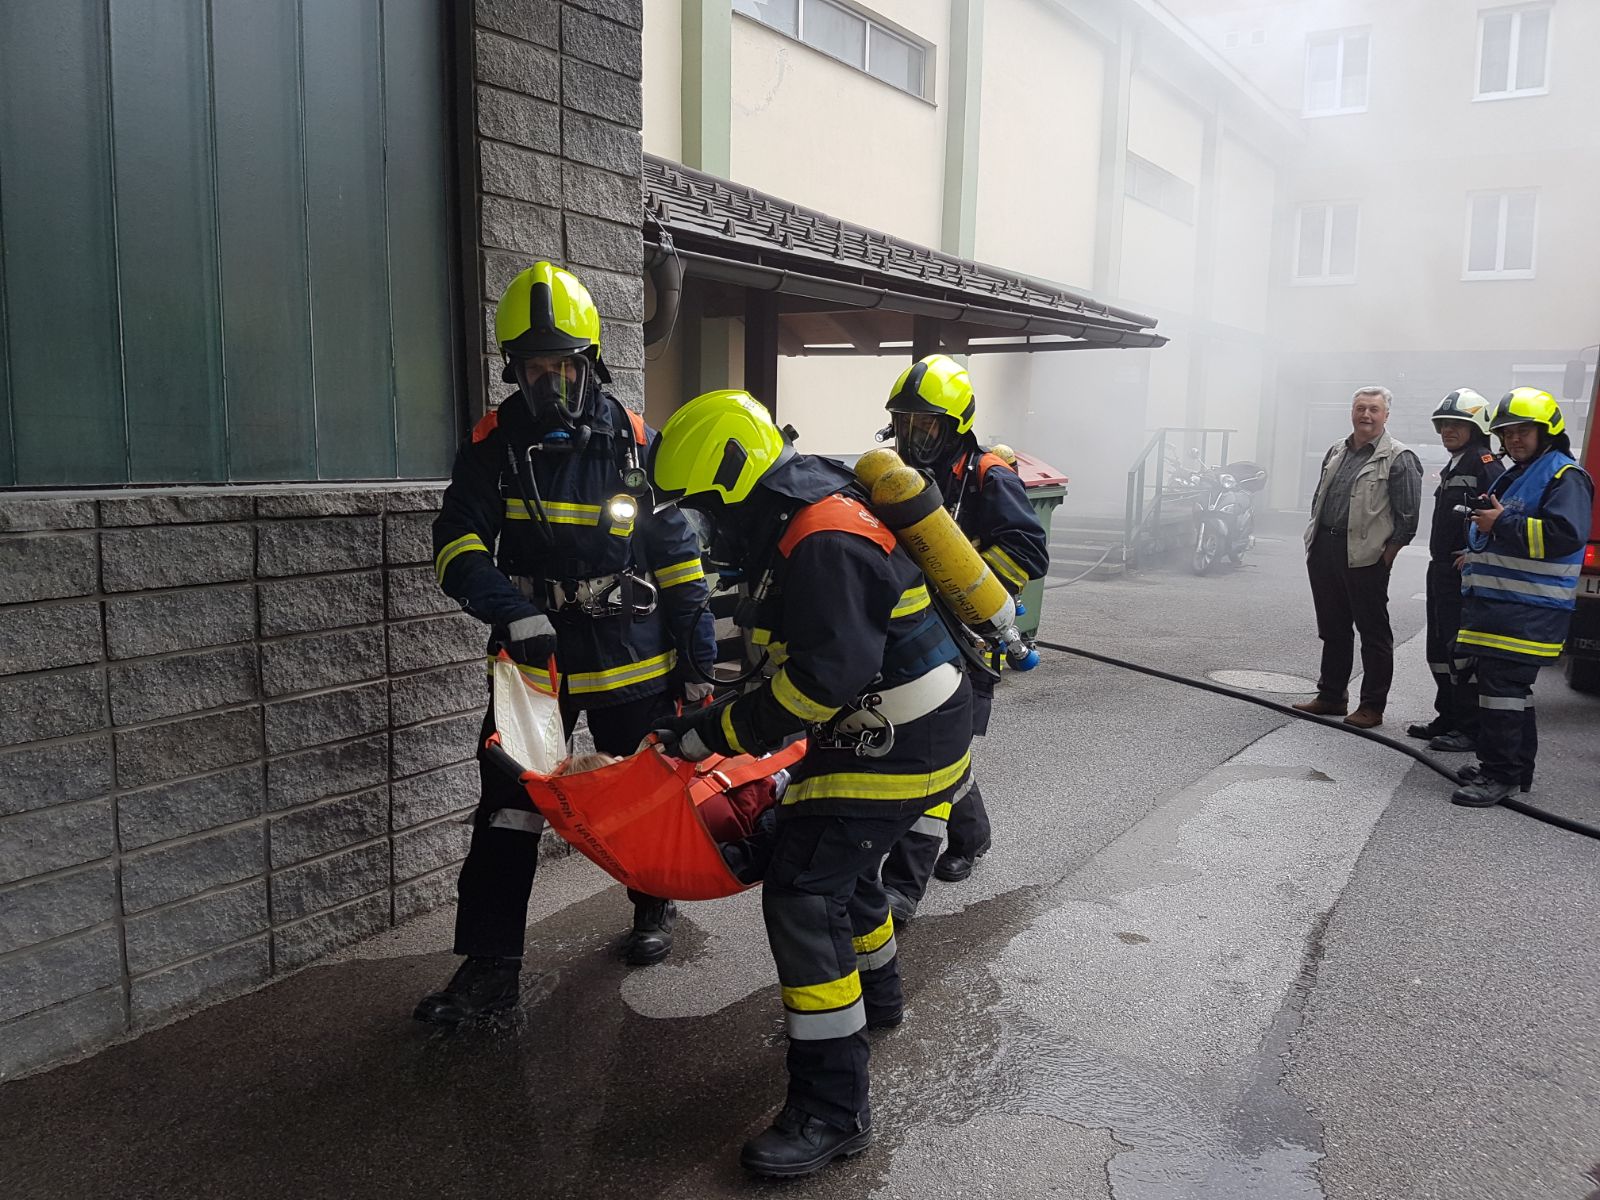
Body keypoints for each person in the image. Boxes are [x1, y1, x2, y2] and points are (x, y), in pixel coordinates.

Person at [647, 389, 974, 1177]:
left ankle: (832, 1110)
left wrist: (711, 735)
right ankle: (878, 997)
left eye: (705, 511)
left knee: (802, 888)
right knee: (838, 862)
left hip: (899, 737)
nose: (704, 531)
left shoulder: (824, 537)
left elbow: (821, 681)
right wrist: (718, 718)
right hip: (895, 726)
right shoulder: (802, 514)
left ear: (737, 481)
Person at [416, 262, 717, 1026]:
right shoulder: (493, 445)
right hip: (534, 663)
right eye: (533, 369)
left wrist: (698, 666)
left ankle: (654, 905)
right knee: (508, 811)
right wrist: (510, 611)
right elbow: (456, 542)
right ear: (513, 369)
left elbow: (680, 561)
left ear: (591, 363)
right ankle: (490, 975)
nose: (549, 383)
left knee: (642, 797)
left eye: (563, 366)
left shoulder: (636, 442)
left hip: (633, 659)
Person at [875, 355, 1048, 919]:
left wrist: (968, 582)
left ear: (955, 425)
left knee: (938, 747)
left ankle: (905, 883)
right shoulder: (897, 475)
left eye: (925, 425)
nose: (912, 437)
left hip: (968, 634)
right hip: (914, 628)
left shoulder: (987, 477)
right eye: (904, 423)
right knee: (941, 747)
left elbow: (1029, 551)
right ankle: (972, 835)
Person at [1450, 388, 1593, 807]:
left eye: (1523, 431)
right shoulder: (1522, 473)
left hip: (1530, 610)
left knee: (1503, 689)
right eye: (1507, 433)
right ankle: (1513, 768)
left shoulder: (1564, 476)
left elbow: (1565, 535)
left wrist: (1500, 524)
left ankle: (1500, 774)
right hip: (1505, 608)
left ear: (1546, 432)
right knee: (1508, 689)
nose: (1513, 439)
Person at [1294, 386, 1423, 729]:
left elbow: (1408, 518)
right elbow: (1320, 497)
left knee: (1373, 633)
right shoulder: (1337, 450)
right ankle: (1332, 696)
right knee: (1333, 628)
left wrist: (1386, 557)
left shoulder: (1399, 457)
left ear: (1386, 415)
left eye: (1373, 409)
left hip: (1367, 557)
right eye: (1360, 408)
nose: (1366, 415)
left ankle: (1372, 707)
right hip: (1325, 548)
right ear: (1352, 412)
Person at [1404, 389, 1504, 751]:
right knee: (1440, 650)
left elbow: (1499, 517)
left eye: (1457, 424)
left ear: (1476, 427)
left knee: (1462, 652)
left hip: (1463, 573)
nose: (1447, 430)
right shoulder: (1457, 463)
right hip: (1442, 569)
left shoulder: (1485, 464)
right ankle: (1447, 716)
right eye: (1443, 424)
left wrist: (1475, 554)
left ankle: (1469, 727)